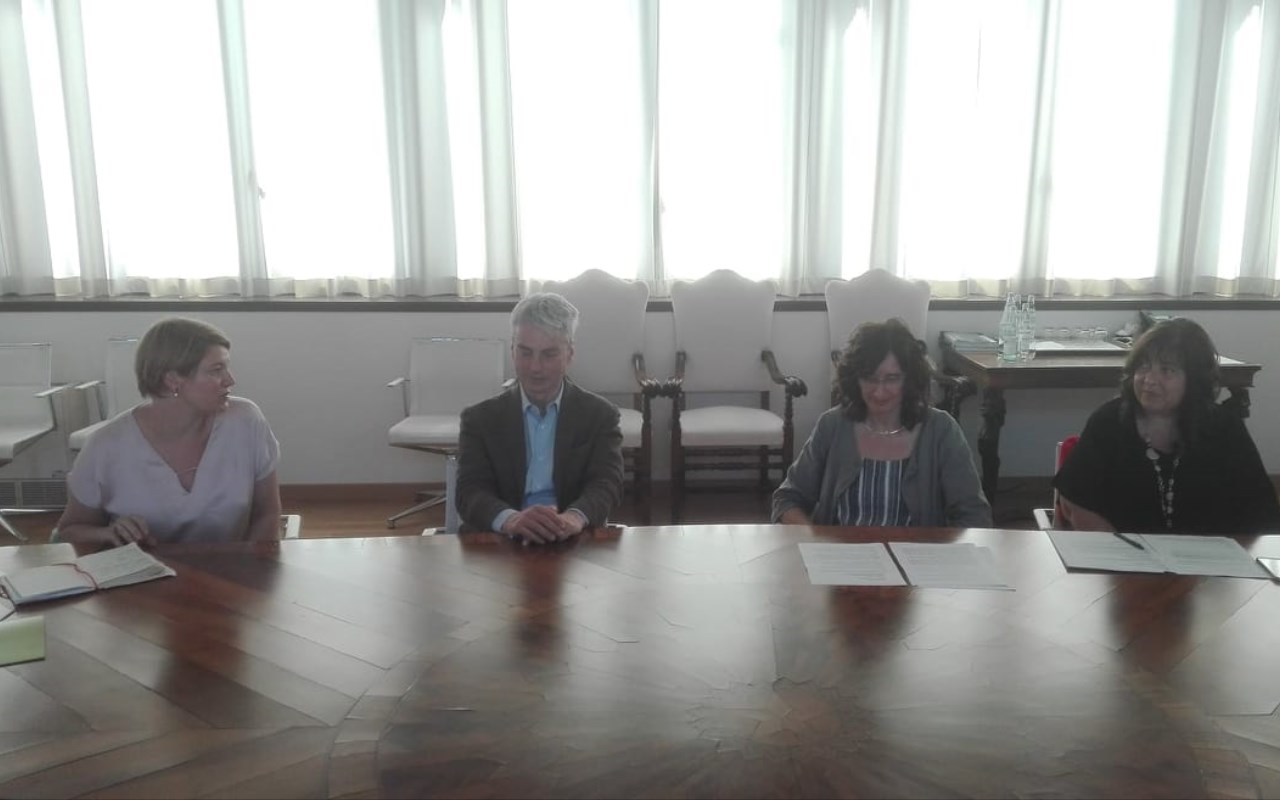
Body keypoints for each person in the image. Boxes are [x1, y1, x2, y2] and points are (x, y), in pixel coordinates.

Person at [57, 318, 282, 546]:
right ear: (173, 380)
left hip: (233, 567)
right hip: (143, 568)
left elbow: (268, 514)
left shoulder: (245, 421)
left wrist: (253, 562)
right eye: (216, 370)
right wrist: (109, 533)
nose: (230, 380)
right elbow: (70, 530)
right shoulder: (106, 446)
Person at [1054, 318, 1280, 534]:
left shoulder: (1224, 427)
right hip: (1125, 557)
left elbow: (1261, 512)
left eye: (1167, 370)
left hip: (1211, 557)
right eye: (1143, 366)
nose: (1149, 380)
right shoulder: (1109, 421)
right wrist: (1114, 547)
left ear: (1194, 379)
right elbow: (1074, 500)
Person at [772, 318, 991, 527]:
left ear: (910, 379)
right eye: (869, 378)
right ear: (854, 379)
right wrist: (812, 538)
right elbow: (787, 499)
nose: (879, 392)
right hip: (840, 550)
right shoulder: (832, 425)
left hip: (917, 552)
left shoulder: (941, 430)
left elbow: (974, 515)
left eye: (892, 379)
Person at [456, 292, 624, 543]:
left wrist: (574, 518)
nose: (535, 367)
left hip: (573, 539)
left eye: (549, 354)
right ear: (512, 351)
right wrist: (511, 519)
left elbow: (607, 484)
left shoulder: (600, 416)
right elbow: (469, 492)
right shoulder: (480, 420)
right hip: (502, 541)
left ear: (570, 354)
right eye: (525, 353)